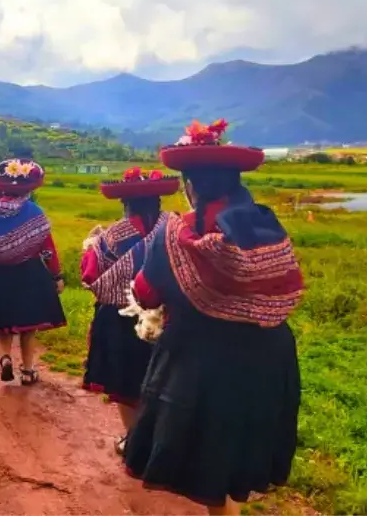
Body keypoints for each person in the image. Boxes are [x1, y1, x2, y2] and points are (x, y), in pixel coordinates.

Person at [123, 119, 304, 515]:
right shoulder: (267, 225)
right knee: (233, 448)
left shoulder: (174, 234)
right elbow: (286, 285)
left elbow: (145, 291)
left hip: (201, 359)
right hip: (266, 360)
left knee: (206, 458)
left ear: (191, 186)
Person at [79, 167, 180, 456]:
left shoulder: (111, 235)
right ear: (158, 202)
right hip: (166, 316)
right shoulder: (173, 227)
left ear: (126, 204)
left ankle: (133, 439)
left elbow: (90, 274)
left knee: (125, 383)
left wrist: (90, 247)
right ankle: (159, 441)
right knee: (161, 380)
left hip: (120, 316)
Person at [0, 159, 67, 385]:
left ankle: (6, 356)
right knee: (28, 326)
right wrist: (56, 275)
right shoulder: (34, 212)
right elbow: (47, 249)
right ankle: (28, 370)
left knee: (2, 321)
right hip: (28, 274)